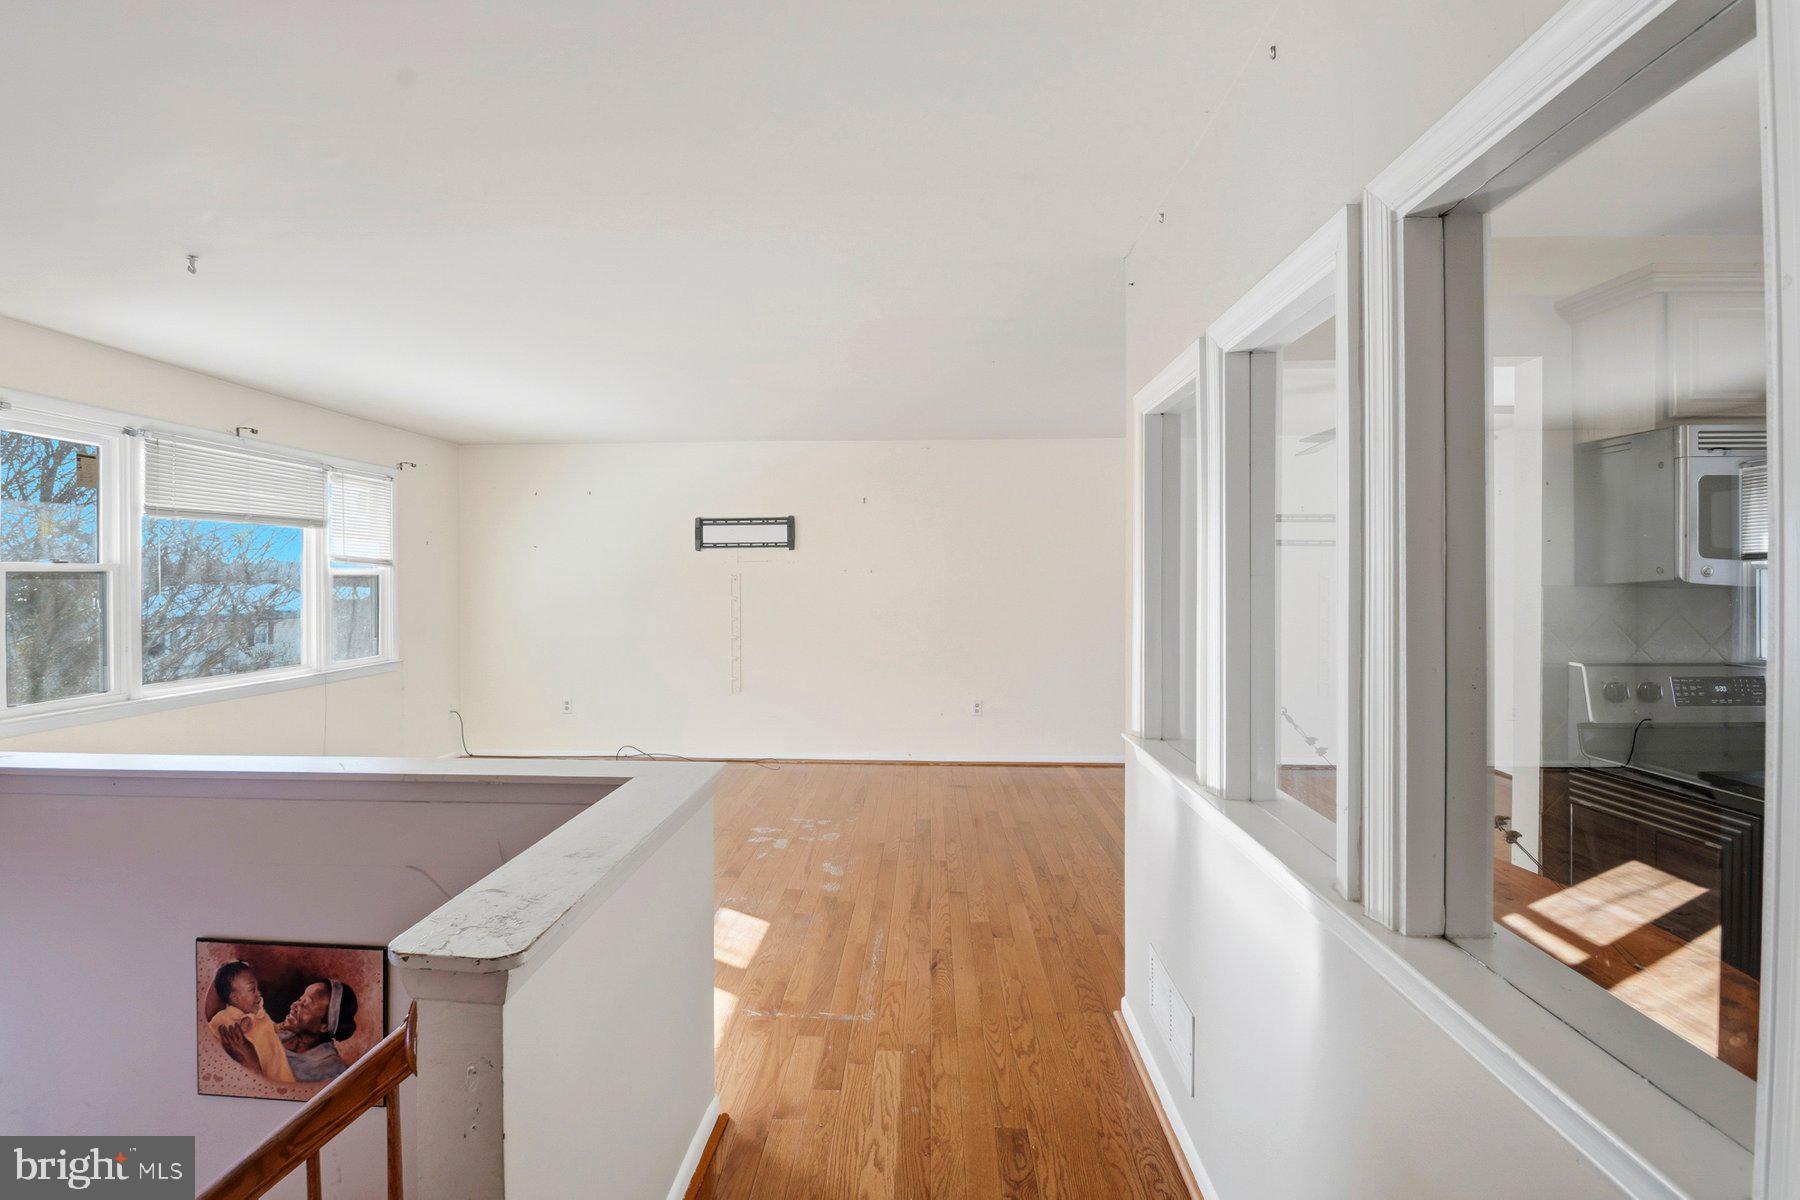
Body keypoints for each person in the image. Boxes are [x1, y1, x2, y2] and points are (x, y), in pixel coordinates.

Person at [208, 961, 294, 1083]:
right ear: (235, 998)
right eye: (252, 989)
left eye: (257, 988)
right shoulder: (222, 1019)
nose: (258, 993)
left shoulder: (258, 1012)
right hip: (257, 1075)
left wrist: (279, 1027)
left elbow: (268, 1027)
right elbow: (212, 1042)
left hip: (279, 1070)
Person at [276, 979, 358, 1083]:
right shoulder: (279, 1034)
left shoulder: (331, 1071)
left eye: (305, 1006)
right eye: (300, 999)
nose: (293, 1005)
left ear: (324, 1026)